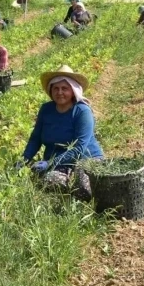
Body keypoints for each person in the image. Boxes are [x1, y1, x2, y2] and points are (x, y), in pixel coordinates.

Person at [17, 65, 103, 194]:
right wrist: (24, 160)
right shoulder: (46, 110)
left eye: (64, 88)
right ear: (50, 91)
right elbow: (36, 138)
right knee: (48, 180)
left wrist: (49, 163)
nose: (60, 92)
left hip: (85, 159)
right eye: (56, 88)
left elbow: (79, 148)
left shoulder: (82, 112)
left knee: (82, 185)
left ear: (73, 91)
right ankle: (67, 185)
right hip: (57, 162)